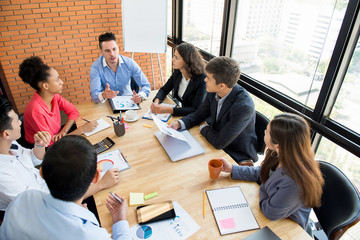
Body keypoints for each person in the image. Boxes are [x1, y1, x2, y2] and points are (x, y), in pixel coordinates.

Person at [0, 96, 120, 211]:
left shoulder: (11, 145)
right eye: (16, 121)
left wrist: (39, 144)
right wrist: (101, 185)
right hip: (52, 206)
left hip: (55, 187)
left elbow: (35, 159)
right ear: (6, 134)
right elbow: (47, 207)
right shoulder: (4, 178)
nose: (20, 123)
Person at [0, 135, 131, 239]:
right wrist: (120, 221)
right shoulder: (91, 235)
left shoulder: (23, 198)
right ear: (96, 177)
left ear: (42, 172)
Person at [219, 113, 324, 229]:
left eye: (267, 132)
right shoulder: (281, 154)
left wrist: (263, 186)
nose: (264, 132)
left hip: (287, 228)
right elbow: (263, 172)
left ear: (278, 145)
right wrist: (232, 169)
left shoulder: (294, 182)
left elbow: (270, 212)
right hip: (274, 217)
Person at [170, 56, 258, 165]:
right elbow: (200, 114)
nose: (205, 79)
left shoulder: (244, 107)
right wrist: (179, 123)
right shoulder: (214, 89)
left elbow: (219, 142)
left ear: (222, 86)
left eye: (208, 78)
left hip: (235, 154)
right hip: (214, 140)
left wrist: (203, 126)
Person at [19, 56, 98, 146]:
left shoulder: (54, 96)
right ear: (45, 86)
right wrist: (81, 130)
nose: (62, 82)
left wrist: (63, 131)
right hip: (42, 148)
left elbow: (73, 111)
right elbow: (50, 143)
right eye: (57, 80)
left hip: (57, 136)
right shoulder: (35, 110)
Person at [90, 32, 151, 104]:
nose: (112, 54)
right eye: (107, 51)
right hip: (108, 103)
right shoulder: (96, 67)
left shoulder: (130, 63)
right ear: (101, 52)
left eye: (114, 49)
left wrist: (141, 96)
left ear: (118, 48)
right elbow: (94, 95)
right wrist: (103, 95)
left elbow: (146, 85)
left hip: (130, 101)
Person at [151, 43, 206, 116]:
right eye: (174, 56)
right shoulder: (178, 72)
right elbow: (164, 90)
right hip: (183, 113)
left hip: (198, 118)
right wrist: (156, 102)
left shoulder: (201, 79)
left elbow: (195, 109)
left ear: (187, 61)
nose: (172, 59)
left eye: (176, 58)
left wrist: (168, 110)